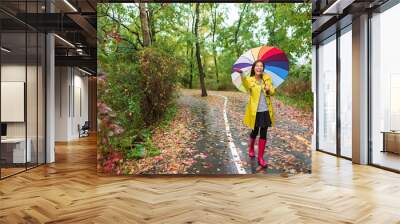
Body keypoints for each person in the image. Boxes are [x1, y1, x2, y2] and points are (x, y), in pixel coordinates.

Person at [235, 60, 275, 168]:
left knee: (264, 133)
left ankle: (260, 158)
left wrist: (268, 89)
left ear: (263, 68)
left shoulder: (267, 78)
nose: (259, 68)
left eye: (261, 66)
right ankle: (251, 148)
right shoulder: (250, 80)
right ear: (254, 68)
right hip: (255, 111)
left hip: (266, 110)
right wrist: (242, 74)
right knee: (255, 131)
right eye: (257, 66)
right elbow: (245, 83)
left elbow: (272, 91)